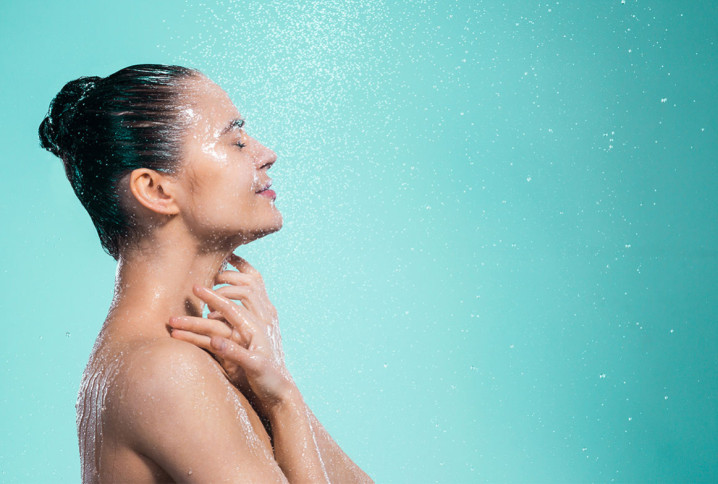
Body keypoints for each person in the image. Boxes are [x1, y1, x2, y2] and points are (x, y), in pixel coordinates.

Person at [39, 64, 373, 483]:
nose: (266, 153)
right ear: (156, 190)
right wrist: (284, 402)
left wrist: (274, 392)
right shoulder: (164, 370)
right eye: (235, 141)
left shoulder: (175, 358)